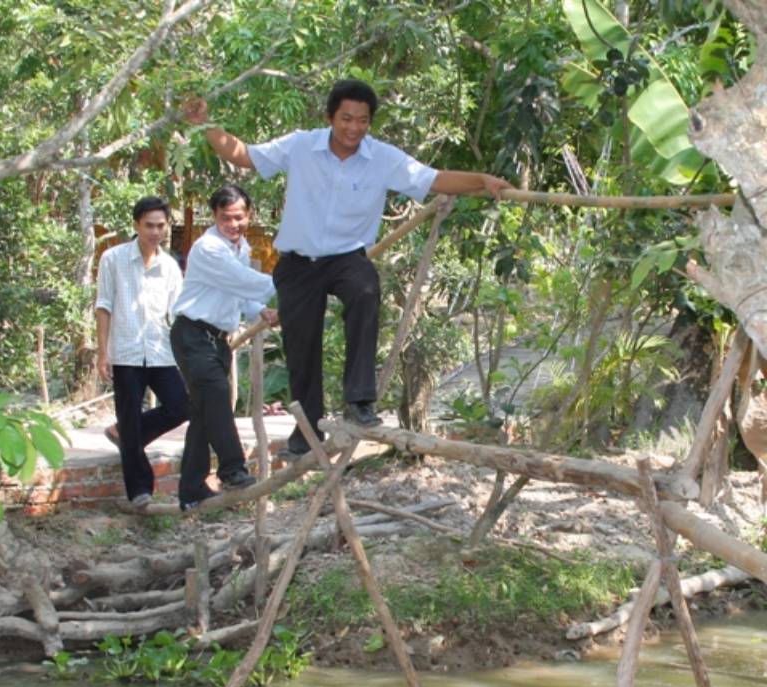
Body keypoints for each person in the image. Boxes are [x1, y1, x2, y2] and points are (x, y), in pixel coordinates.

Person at [183, 78, 513, 458]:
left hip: (345, 258)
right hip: (298, 263)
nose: (354, 128)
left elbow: (434, 179)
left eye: (363, 121)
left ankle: (360, 403)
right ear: (330, 118)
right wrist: (204, 123)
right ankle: (306, 433)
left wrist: (481, 182)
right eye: (346, 119)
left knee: (365, 288)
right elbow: (243, 154)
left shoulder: (383, 158)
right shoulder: (301, 146)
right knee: (301, 345)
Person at [171, 184, 279, 510]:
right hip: (193, 335)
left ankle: (191, 489)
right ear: (215, 217)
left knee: (206, 412)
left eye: (239, 217)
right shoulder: (209, 249)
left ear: (249, 215)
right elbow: (243, 281)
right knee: (216, 397)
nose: (233, 225)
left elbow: (240, 293)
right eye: (225, 218)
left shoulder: (240, 248)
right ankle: (232, 469)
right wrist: (298, 280)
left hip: (218, 340)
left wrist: (259, 310)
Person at [95, 196, 189, 508]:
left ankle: (124, 433)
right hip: (125, 352)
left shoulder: (170, 267)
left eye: (160, 225)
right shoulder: (113, 259)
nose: (155, 231)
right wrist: (102, 352)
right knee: (130, 416)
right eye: (149, 225)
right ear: (137, 225)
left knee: (181, 406)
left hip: (161, 352)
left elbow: (177, 314)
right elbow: (104, 306)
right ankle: (140, 492)